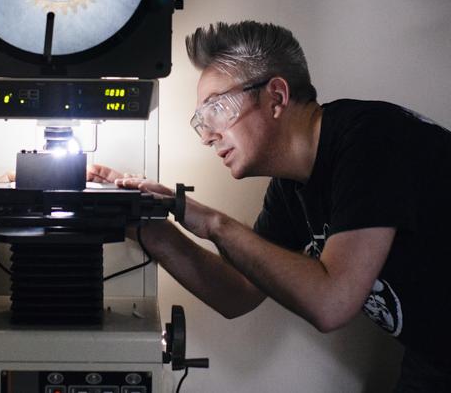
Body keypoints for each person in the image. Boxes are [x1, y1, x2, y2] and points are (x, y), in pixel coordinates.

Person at [88, 21, 451, 391]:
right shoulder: (291, 187)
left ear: (276, 97)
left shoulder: (370, 140)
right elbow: (237, 292)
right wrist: (146, 221)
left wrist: (211, 220)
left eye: (216, 110)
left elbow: (332, 302)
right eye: (201, 122)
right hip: (433, 356)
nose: (208, 136)